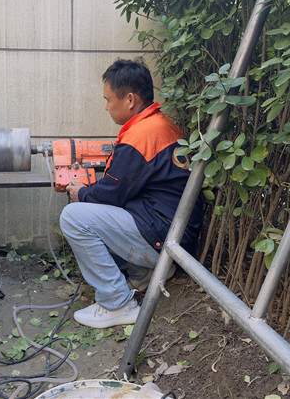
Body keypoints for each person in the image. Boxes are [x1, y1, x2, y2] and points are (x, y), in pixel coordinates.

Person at [60, 58, 202, 329]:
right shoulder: (161, 125)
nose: (106, 106)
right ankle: (143, 273)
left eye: (108, 99)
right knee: (98, 213)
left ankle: (117, 304)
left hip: (162, 238)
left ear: (129, 99)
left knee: (73, 217)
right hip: (173, 233)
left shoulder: (141, 136)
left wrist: (82, 193)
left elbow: (112, 193)